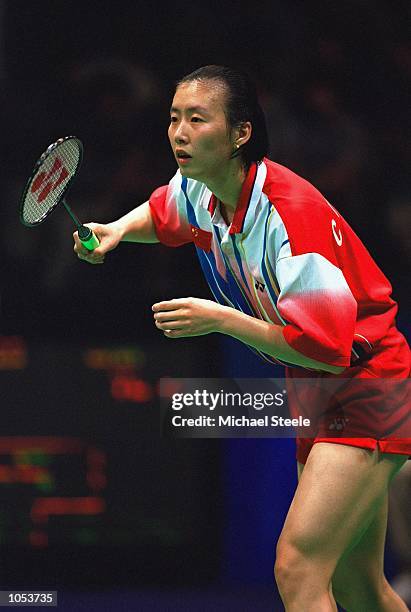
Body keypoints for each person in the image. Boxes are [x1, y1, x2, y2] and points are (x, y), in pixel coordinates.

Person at [73, 65, 411, 611]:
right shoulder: (204, 188)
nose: (179, 132)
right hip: (320, 391)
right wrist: (115, 231)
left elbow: (326, 346)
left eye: (198, 119)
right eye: (174, 118)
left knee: (298, 569)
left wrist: (221, 319)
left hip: (367, 383)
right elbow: (165, 210)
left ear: (241, 133)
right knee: (357, 588)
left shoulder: (290, 216)